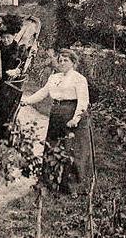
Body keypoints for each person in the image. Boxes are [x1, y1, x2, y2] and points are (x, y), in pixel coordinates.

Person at [21, 48, 95, 193]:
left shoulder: (79, 79)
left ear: (73, 62)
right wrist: (28, 101)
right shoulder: (54, 78)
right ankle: (48, 182)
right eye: (60, 60)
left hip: (71, 113)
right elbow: (43, 93)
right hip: (56, 113)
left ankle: (72, 187)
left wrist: (76, 118)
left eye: (66, 60)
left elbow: (83, 101)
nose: (62, 63)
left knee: (71, 150)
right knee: (52, 146)